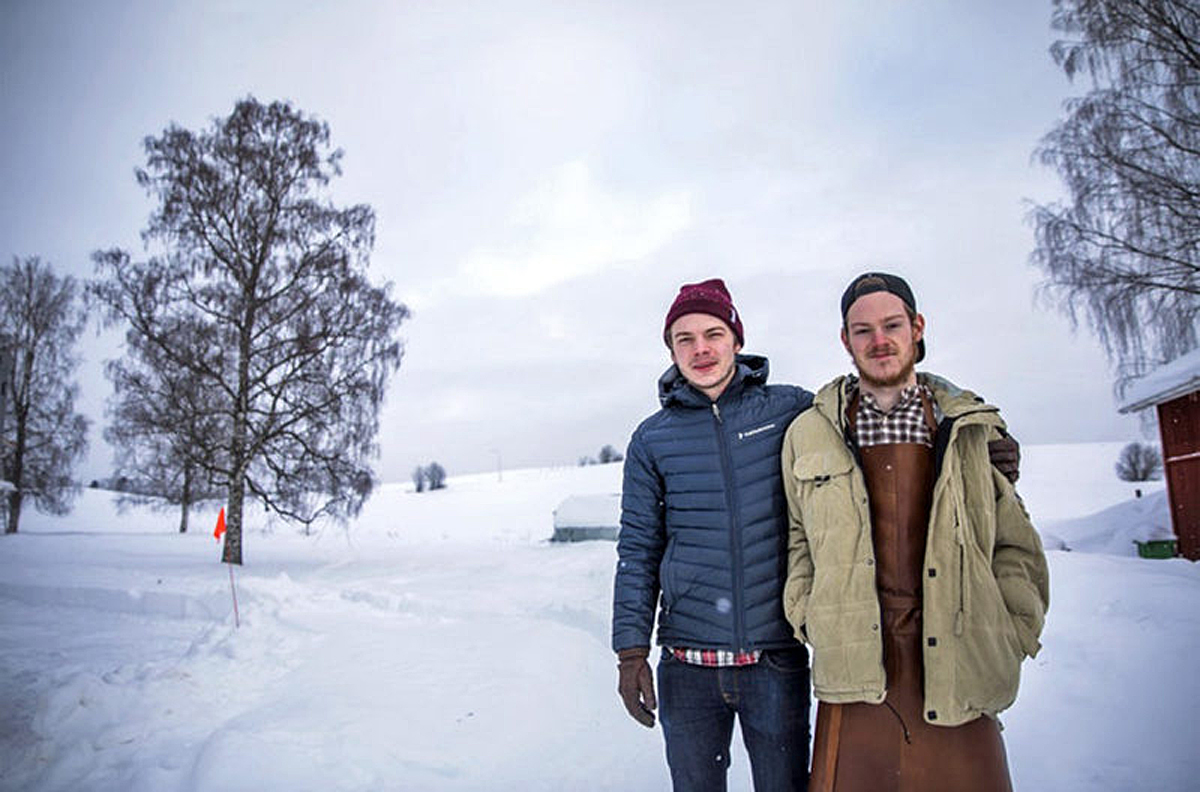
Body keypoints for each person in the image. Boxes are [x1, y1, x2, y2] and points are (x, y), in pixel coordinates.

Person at [612, 277, 1021, 792]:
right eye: (684, 339)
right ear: (671, 351)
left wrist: (981, 444)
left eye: (713, 334)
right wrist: (631, 652)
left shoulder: (792, 412)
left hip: (774, 660)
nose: (701, 350)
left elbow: (879, 398)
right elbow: (639, 548)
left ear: (737, 340)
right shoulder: (653, 438)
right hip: (687, 665)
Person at [780, 272, 1050, 792]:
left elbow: (1014, 544)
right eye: (862, 330)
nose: (878, 340)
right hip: (853, 665)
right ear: (845, 340)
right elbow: (799, 539)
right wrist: (809, 612)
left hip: (960, 659)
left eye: (892, 325)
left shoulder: (969, 427)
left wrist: (1012, 627)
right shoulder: (811, 432)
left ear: (917, 328)